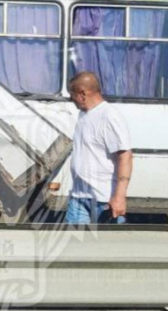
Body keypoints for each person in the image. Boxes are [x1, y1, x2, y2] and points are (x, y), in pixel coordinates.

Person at [66, 71, 133, 224]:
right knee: (74, 246)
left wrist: (119, 197)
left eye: (73, 96)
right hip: (79, 196)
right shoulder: (83, 115)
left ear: (82, 94)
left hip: (104, 199)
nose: (72, 101)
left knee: (106, 246)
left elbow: (125, 157)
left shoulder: (109, 116)